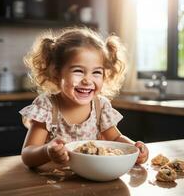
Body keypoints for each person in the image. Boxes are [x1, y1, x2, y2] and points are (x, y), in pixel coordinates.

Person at [19, 27, 149, 168]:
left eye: (96, 72)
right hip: (54, 181)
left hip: (92, 179)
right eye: (78, 71)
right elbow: (27, 155)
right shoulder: (47, 106)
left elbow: (116, 138)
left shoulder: (100, 106)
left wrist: (135, 148)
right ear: (57, 73)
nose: (87, 80)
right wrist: (47, 151)